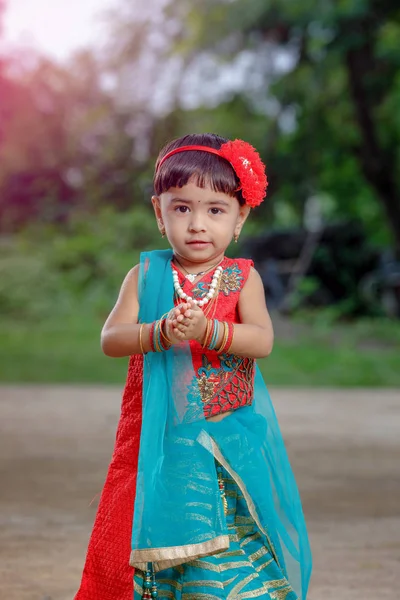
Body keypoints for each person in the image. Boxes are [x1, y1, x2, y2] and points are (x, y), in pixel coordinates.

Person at [74, 133, 312, 600]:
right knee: (150, 540)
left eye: (215, 210)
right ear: (158, 213)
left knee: (222, 538)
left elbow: (262, 340)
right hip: (159, 445)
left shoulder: (243, 278)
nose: (198, 224)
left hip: (222, 441)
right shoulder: (146, 275)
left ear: (240, 218)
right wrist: (159, 331)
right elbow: (110, 339)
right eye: (181, 208)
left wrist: (209, 332)